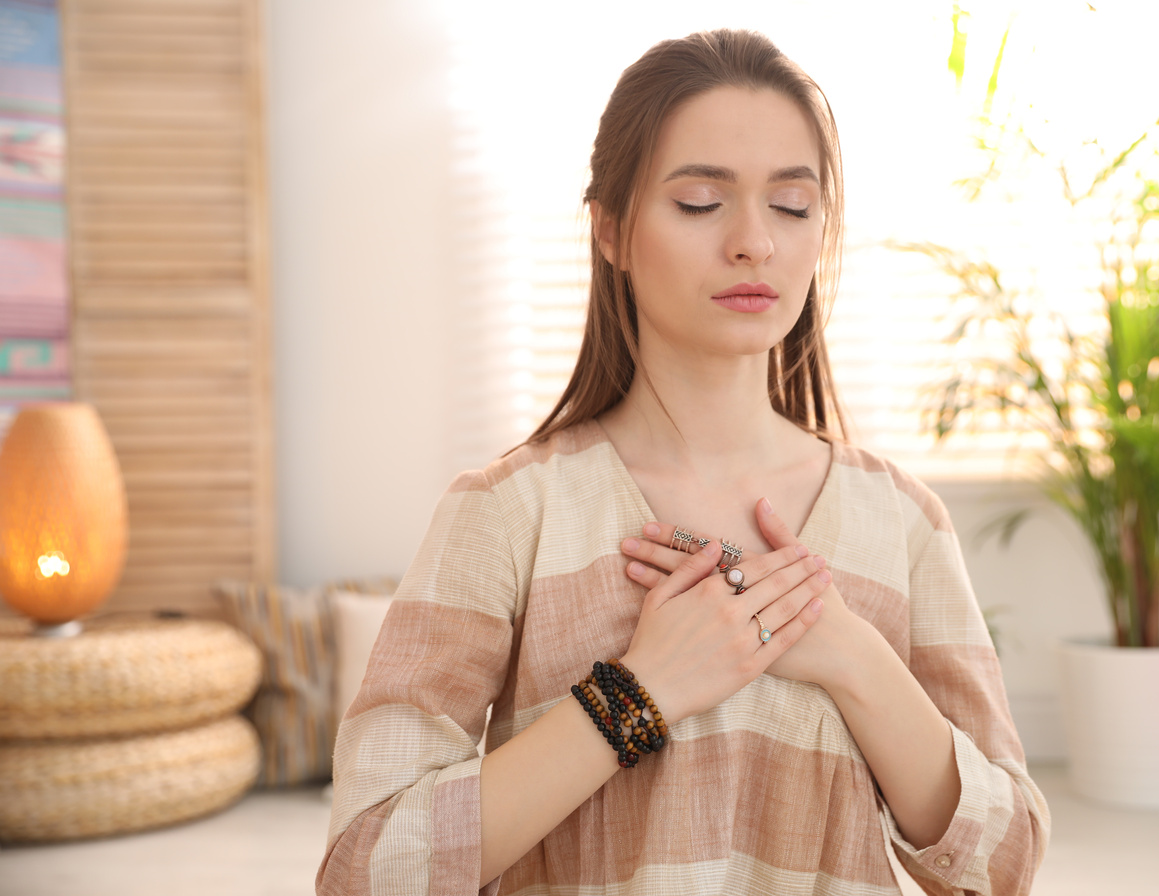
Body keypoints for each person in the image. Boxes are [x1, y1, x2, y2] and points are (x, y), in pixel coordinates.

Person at [317, 29, 1049, 896]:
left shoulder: (903, 522)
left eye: (792, 205)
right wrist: (635, 695)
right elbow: (366, 868)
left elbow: (1006, 863)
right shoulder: (507, 513)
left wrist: (851, 656)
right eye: (702, 201)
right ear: (613, 231)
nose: (753, 243)